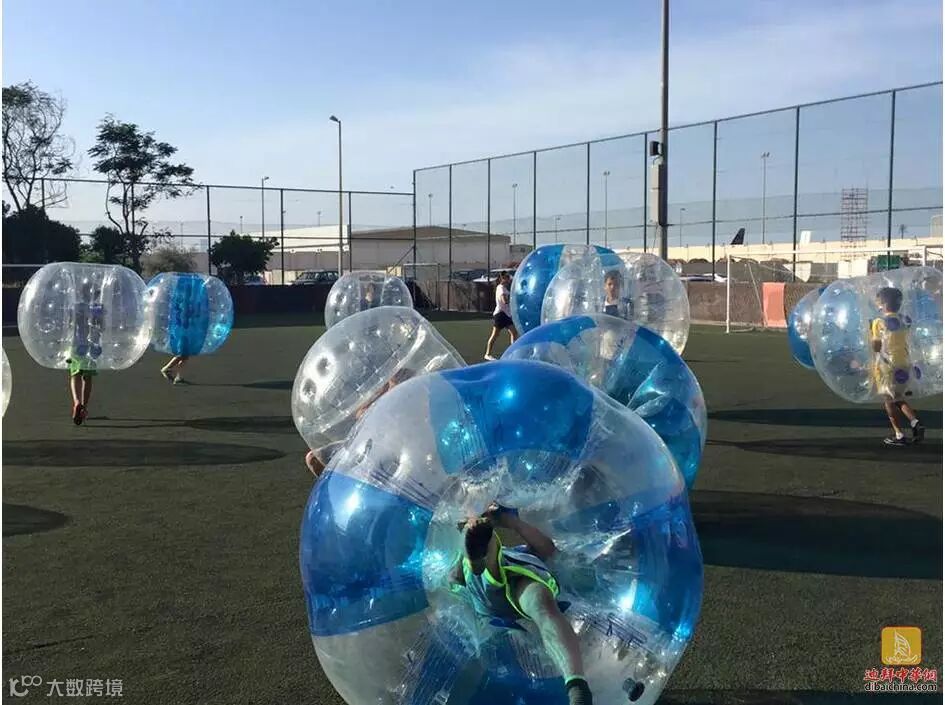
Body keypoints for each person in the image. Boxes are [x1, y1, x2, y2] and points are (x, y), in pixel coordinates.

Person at [448, 502, 604, 705]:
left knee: (539, 600)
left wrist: (507, 519)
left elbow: (548, 548)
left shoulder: (526, 554)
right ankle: (478, 555)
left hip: (520, 582)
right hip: (486, 591)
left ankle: (578, 692)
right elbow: (454, 581)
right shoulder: (514, 553)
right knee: (487, 570)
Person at [305, 367, 416, 477]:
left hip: (397, 443)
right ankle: (334, 482)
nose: (397, 376)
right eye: (396, 376)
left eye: (399, 376)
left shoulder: (413, 386)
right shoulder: (384, 387)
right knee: (313, 458)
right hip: (367, 440)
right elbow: (361, 414)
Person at [871, 286, 925, 446]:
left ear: (883, 304)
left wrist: (872, 344)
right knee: (898, 398)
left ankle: (899, 434)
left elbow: (876, 346)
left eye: (878, 302)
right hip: (904, 364)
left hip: (887, 366)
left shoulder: (878, 322)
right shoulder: (905, 320)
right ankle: (915, 422)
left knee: (889, 400)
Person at [485, 271, 517, 361]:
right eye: (507, 277)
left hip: (506, 314)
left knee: (514, 333)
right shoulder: (501, 288)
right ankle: (487, 354)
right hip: (500, 315)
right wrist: (512, 299)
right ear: (502, 278)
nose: (509, 279)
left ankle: (513, 354)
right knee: (495, 335)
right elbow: (504, 301)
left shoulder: (504, 288)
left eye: (508, 277)